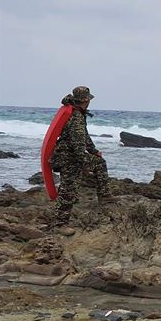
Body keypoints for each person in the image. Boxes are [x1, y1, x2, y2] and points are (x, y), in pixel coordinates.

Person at [50, 86, 112, 229]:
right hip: (69, 158)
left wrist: (93, 151)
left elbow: (85, 137)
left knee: (99, 162)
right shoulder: (76, 116)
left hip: (68, 155)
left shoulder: (77, 112)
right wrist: (84, 162)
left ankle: (104, 195)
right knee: (68, 190)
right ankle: (60, 225)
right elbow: (78, 143)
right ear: (85, 100)